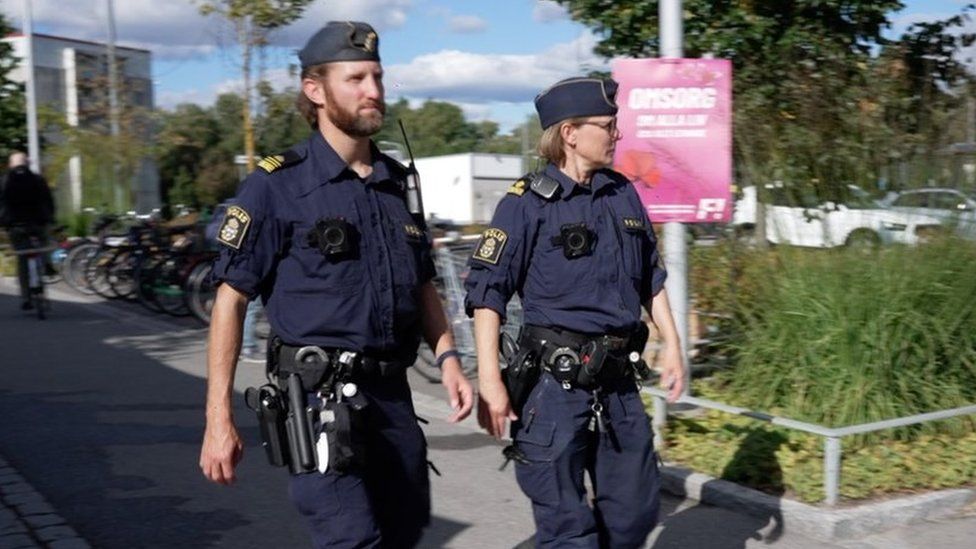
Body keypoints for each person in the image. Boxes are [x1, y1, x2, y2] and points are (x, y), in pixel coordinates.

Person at [198, 21, 474, 548]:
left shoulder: (398, 183)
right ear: (315, 90)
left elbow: (422, 283)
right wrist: (218, 419)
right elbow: (230, 301)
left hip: (393, 400)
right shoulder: (277, 185)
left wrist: (450, 359)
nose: (374, 91)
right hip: (319, 404)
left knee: (404, 533)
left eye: (377, 76)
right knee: (353, 539)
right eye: (356, 79)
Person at [464, 77, 686, 548]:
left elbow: (652, 276)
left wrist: (674, 345)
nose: (616, 134)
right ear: (570, 133)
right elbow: (488, 294)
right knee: (568, 531)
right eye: (607, 126)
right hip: (554, 389)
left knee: (635, 515)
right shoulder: (524, 204)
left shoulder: (621, 193)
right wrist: (490, 381)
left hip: (619, 383)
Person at [0, 152, 56, 310]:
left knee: (22, 257)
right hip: (38, 223)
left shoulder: (4, 181)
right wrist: (50, 219)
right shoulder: (38, 179)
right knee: (43, 245)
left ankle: (26, 297)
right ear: (27, 163)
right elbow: (49, 200)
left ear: (11, 164)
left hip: (16, 226)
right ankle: (46, 265)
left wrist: (4, 223)